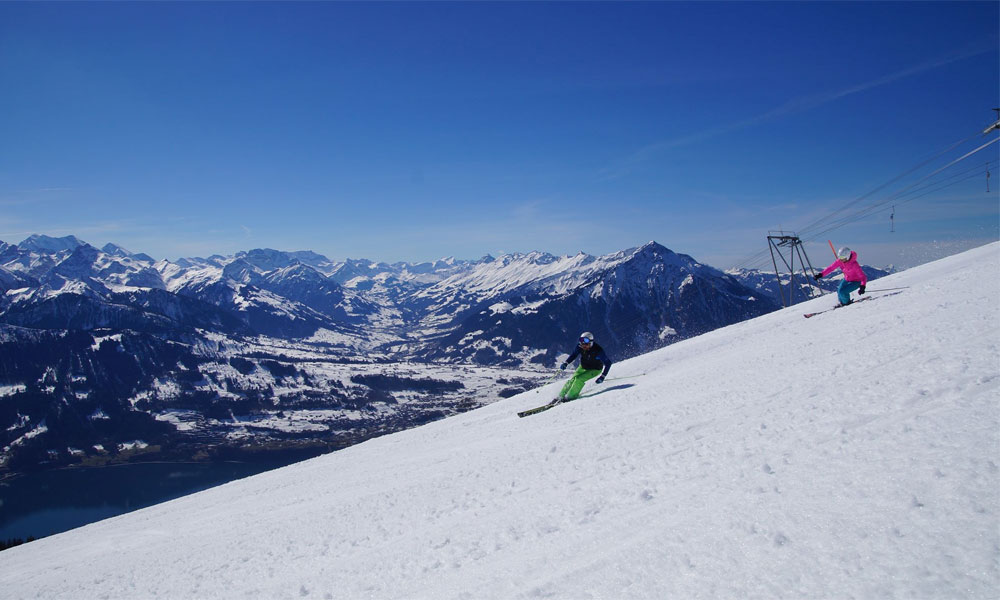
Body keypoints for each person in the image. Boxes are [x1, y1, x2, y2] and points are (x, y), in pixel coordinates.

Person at [556, 332, 612, 402]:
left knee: (579, 379)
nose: (583, 345)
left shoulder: (598, 351)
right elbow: (574, 355)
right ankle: (560, 396)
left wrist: (603, 376)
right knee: (572, 380)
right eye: (581, 342)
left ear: (591, 342)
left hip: (595, 369)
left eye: (586, 343)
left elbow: (608, 363)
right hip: (583, 366)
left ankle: (570, 397)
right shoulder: (580, 347)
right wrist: (566, 363)